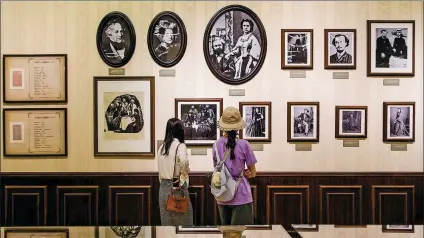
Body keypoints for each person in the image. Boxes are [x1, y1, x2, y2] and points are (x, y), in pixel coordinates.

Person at [212, 106, 258, 225]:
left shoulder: (216, 145)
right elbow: (253, 173)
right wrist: (246, 172)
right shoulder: (244, 144)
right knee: (240, 234)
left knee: (226, 233)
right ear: (238, 127)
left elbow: (216, 169)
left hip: (222, 194)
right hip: (241, 195)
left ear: (223, 127)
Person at [157, 118, 193, 226]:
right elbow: (183, 163)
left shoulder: (162, 147)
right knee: (184, 224)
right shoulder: (180, 146)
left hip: (163, 188)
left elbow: (160, 170)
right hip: (177, 188)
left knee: (167, 225)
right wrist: (185, 176)